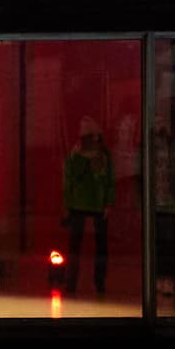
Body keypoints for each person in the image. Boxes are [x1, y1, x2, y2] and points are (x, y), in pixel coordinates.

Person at [60, 123, 115, 300]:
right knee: (79, 245)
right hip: (82, 204)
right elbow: (69, 180)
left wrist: (108, 203)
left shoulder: (100, 155)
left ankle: (96, 282)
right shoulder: (77, 155)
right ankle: (75, 282)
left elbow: (109, 180)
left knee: (94, 246)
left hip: (93, 204)